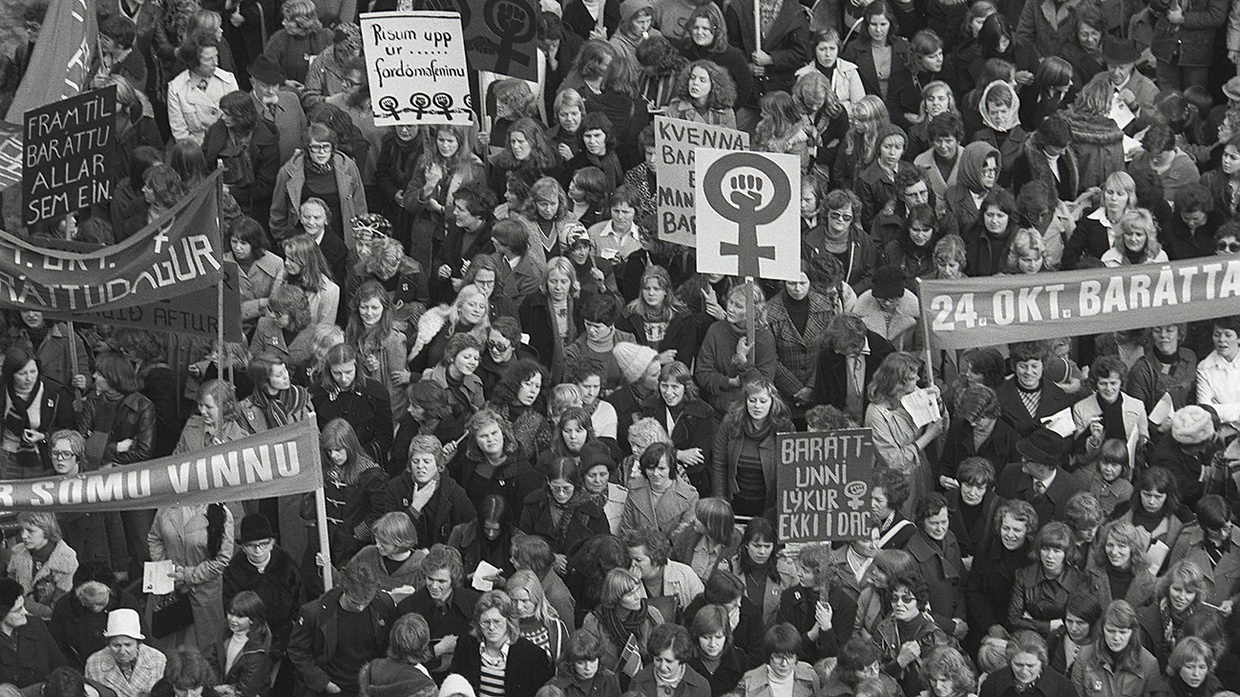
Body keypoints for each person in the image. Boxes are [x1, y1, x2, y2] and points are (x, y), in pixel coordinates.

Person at [287, 560, 397, 697]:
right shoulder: (315, 613)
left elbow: (389, 644)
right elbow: (297, 650)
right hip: (335, 687)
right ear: (344, 589)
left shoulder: (383, 605)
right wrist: (324, 683)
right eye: (354, 602)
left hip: (372, 686)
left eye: (366, 602)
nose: (360, 608)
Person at [222, 514, 303, 667]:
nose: (258, 551)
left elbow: (299, 604)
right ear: (244, 548)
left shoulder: (287, 565)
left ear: (272, 543)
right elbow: (230, 611)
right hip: (249, 641)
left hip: (286, 638)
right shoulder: (234, 571)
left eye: (263, 544)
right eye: (251, 546)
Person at [450, 590, 554, 697]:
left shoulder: (533, 655)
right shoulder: (466, 645)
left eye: (497, 621)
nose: (491, 627)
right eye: (485, 622)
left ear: (509, 621)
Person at [396, 544, 479, 677]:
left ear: (454, 580)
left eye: (441, 581)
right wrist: (439, 649)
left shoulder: (474, 602)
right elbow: (400, 658)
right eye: (430, 579)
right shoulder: (407, 607)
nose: (434, 586)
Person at [388, 434, 477, 549]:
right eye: (416, 461)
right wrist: (414, 508)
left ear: (438, 465)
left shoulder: (455, 493)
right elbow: (387, 535)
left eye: (426, 461)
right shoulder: (394, 488)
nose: (420, 466)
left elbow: (472, 529)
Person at [581, 569, 665, 678]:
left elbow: (663, 652)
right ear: (615, 598)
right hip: (608, 681)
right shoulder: (594, 621)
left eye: (638, 590)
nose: (637, 597)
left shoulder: (652, 615)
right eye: (630, 594)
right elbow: (589, 658)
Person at [1069, 600, 1161, 696]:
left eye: (1123, 632)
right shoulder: (1085, 655)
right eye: (1110, 631)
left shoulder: (1149, 664)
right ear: (1102, 629)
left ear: (1132, 632)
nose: (1116, 638)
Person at [6, 512, 77, 622]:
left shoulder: (66, 560)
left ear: (47, 531)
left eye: (30, 531)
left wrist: (24, 603)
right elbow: (8, 596)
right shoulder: (17, 553)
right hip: (18, 622)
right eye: (22, 530)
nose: (23, 536)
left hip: (53, 625)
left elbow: (55, 611)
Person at [167, 37, 238, 144]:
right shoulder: (176, 88)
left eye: (216, 57)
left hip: (228, 147)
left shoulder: (228, 80)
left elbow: (237, 120)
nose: (216, 63)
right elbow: (180, 133)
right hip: (197, 151)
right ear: (194, 62)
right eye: (209, 59)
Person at [622, 442, 699, 538]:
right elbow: (626, 529)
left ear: (671, 468)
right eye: (650, 468)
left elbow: (686, 538)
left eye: (661, 468)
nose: (655, 473)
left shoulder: (690, 496)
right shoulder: (633, 487)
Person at [84, 608, 163, 697]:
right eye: (116, 645)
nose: (122, 651)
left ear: (138, 643)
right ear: (108, 644)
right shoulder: (94, 663)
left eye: (128, 645)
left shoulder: (157, 659)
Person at [207, 591, 272, 697]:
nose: (232, 619)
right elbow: (213, 663)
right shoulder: (224, 634)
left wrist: (223, 691)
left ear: (252, 620)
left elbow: (247, 690)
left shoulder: (257, 652)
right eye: (230, 613)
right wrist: (215, 686)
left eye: (239, 617)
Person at [977, 630, 1077, 696]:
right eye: (1018, 665)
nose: (1024, 671)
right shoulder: (992, 684)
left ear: (1042, 662)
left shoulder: (1064, 688)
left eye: (1030, 665)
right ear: (1009, 661)